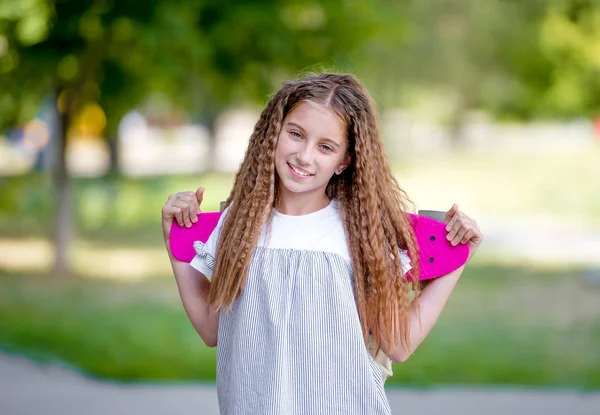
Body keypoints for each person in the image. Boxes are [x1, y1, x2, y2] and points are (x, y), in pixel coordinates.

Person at [161, 73, 483, 414]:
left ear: (344, 161)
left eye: (325, 147)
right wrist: (175, 245)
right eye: (296, 134)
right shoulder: (238, 226)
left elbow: (398, 345)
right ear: (274, 133)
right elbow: (213, 331)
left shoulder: (362, 235)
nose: (304, 156)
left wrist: (457, 260)